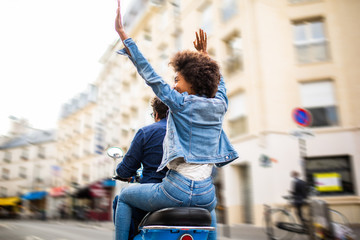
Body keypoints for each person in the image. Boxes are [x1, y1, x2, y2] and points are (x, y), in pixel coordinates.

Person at [114, 1, 239, 240]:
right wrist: (205, 56)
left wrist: (123, 36)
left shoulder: (180, 104)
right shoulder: (220, 104)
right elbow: (219, 82)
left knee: (127, 196)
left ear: (191, 81)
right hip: (206, 194)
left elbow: (150, 75)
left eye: (178, 79)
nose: (174, 85)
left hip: (175, 190)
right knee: (209, 213)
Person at [112, 96, 169, 239]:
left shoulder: (146, 132)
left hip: (153, 196)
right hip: (186, 193)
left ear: (156, 114)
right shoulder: (187, 132)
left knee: (121, 199)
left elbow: (124, 170)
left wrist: (123, 172)